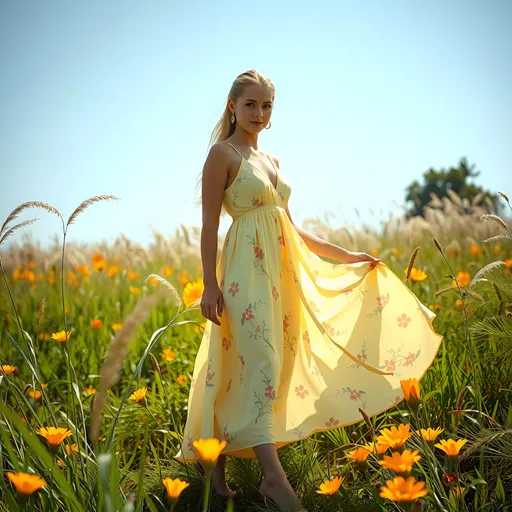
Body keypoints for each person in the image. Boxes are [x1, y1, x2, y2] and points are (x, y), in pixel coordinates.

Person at [174, 70, 443, 512]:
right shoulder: (221, 155)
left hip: (283, 277)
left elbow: (294, 230)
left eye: (266, 106)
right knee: (259, 361)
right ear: (232, 106)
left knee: (269, 366)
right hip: (245, 272)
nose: (258, 114)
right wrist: (209, 283)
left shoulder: (273, 162)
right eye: (250, 105)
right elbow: (209, 226)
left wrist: (350, 256)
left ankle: (216, 471)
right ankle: (274, 480)